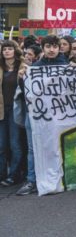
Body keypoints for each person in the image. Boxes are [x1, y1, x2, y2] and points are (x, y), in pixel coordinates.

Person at [16, 35, 68, 196]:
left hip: (58, 115)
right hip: (36, 115)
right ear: (43, 48)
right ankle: (32, 180)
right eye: (48, 46)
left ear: (59, 48)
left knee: (58, 146)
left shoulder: (67, 66)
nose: (51, 49)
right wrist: (22, 80)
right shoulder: (35, 68)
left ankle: (60, 178)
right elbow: (27, 93)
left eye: (54, 46)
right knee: (34, 148)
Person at [0, 40, 27, 187]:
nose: (6, 52)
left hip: (16, 110)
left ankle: (14, 175)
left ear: (15, 51)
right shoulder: (0, 68)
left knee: (15, 143)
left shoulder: (23, 68)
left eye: (9, 49)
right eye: (4, 49)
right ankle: (2, 174)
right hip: (2, 110)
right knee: (1, 145)